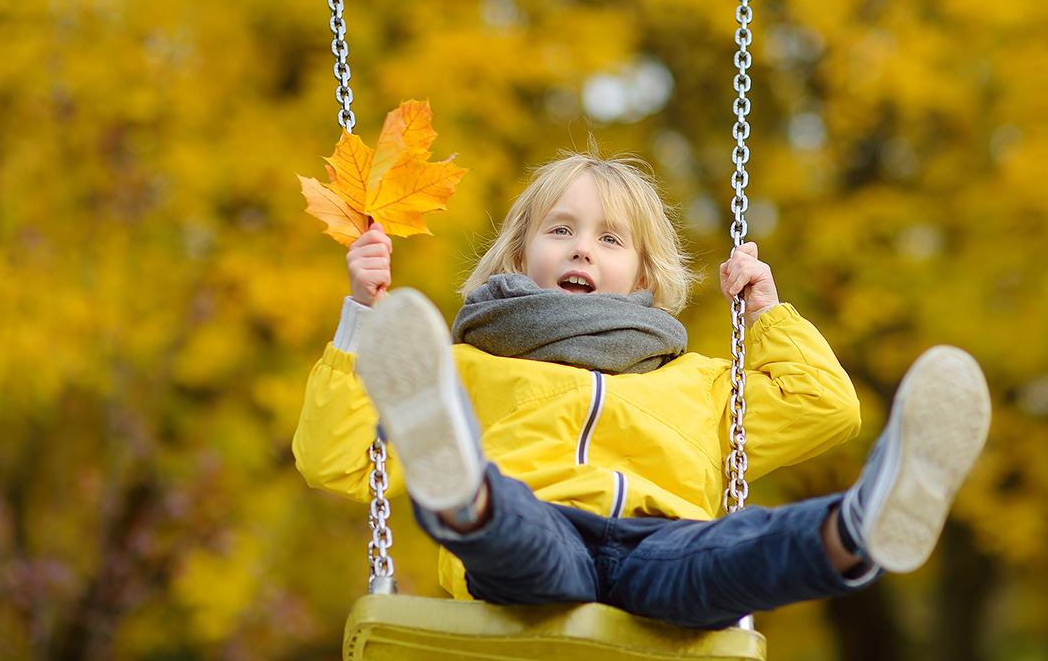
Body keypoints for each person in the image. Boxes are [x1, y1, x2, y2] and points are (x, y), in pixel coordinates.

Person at [293, 150, 991, 630]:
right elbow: (333, 457)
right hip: (542, 538)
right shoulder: (464, 367)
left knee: (739, 548)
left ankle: (862, 526)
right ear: (518, 258)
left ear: (646, 278)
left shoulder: (702, 384)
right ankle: (462, 491)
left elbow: (825, 406)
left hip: (662, 547)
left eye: (609, 239)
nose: (581, 248)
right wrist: (362, 312)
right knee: (521, 539)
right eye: (560, 230)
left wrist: (764, 312)